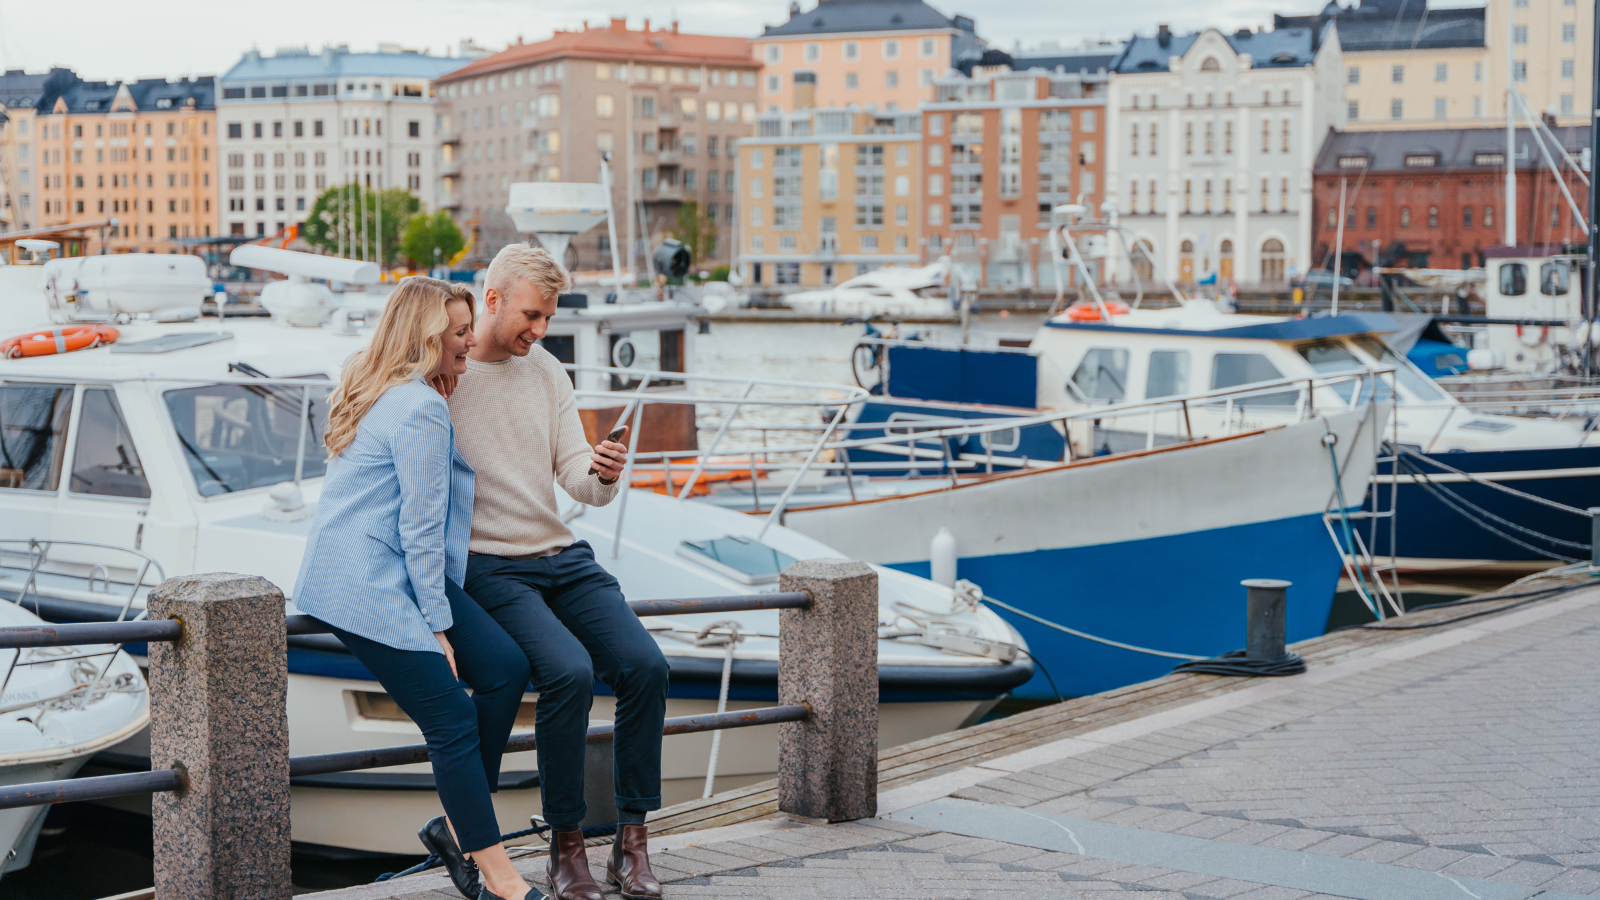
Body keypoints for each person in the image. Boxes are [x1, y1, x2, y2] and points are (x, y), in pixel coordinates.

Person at [293, 277, 540, 900]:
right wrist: (435, 625)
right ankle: (498, 875)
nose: (469, 342)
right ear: (428, 338)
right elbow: (421, 527)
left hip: (393, 565)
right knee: (453, 717)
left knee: (507, 666)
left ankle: (459, 829)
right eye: (459, 334)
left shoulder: (387, 387)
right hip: (365, 581)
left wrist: (435, 612)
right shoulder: (420, 407)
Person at [448, 245, 668, 900]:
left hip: (560, 553)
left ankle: (633, 843)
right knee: (567, 673)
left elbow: (575, 477)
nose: (540, 331)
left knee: (646, 666)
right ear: (491, 300)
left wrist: (600, 474)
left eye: (547, 318)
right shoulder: (447, 374)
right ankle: (566, 847)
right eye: (532, 315)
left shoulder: (545, 371)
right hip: (491, 565)